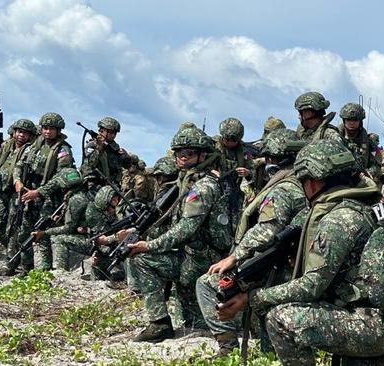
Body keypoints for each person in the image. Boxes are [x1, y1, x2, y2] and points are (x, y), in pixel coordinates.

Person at [216, 139, 384, 366]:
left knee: (281, 318)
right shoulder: (367, 202)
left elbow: (311, 286)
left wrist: (252, 298)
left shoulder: (339, 220)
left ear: (313, 182)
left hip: (376, 328)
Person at [196, 128, 308, 355]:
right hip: (291, 262)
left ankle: (228, 347)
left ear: (273, 159)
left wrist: (235, 256)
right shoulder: (302, 183)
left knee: (207, 283)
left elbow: (267, 230)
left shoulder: (283, 189)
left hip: (277, 266)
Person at [125, 124, 232, 343]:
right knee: (194, 322)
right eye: (179, 154)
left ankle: (160, 324)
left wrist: (149, 245)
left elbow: (186, 228)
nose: (182, 158)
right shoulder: (187, 182)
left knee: (143, 259)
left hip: (202, 260)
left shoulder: (203, 187)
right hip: (193, 256)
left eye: (189, 153)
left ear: (203, 155)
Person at [5, 112, 75, 275]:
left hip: (48, 197)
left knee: (42, 233)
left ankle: (44, 269)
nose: (47, 132)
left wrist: (38, 192)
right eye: (45, 128)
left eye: (51, 129)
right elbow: (19, 166)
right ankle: (25, 266)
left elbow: (61, 177)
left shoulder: (63, 150)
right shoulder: (33, 145)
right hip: (27, 193)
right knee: (23, 230)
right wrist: (18, 182)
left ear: (58, 130)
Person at [0, 119, 37, 252]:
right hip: (1, 190)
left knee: (13, 226)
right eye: (19, 132)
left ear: (30, 136)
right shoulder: (5, 146)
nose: (21, 135)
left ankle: (12, 259)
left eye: (25, 133)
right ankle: (9, 247)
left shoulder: (31, 150)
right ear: (14, 132)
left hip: (17, 192)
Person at [215, 117, 253, 231]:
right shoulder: (212, 147)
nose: (230, 143)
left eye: (234, 141)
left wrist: (247, 173)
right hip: (216, 191)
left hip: (235, 193)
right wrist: (212, 172)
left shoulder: (245, 151)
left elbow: (253, 170)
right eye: (227, 140)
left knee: (234, 226)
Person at [80, 117, 132, 191]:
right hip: (94, 184)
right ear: (102, 131)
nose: (113, 135)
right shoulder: (92, 145)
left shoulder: (114, 148)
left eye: (115, 133)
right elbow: (91, 163)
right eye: (111, 132)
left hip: (111, 185)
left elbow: (127, 166)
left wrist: (127, 156)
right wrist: (99, 148)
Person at [338, 102, 382, 179]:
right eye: (348, 120)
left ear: (360, 121)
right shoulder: (334, 138)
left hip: (361, 181)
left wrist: (368, 172)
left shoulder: (370, 142)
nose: (352, 123)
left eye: (355, 120)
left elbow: (377, 164)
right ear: (344, 120)